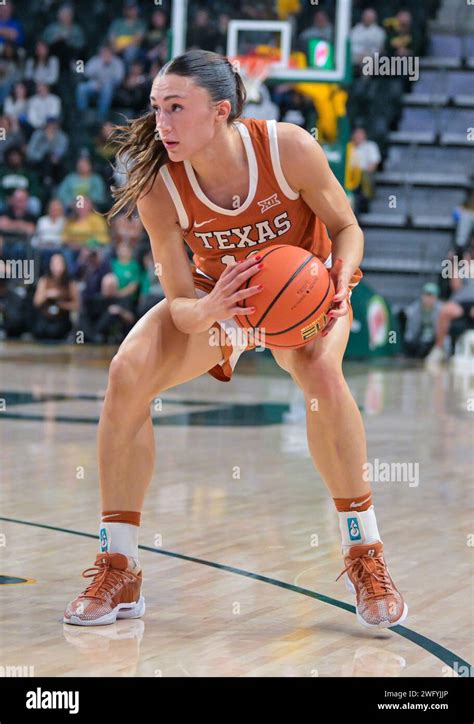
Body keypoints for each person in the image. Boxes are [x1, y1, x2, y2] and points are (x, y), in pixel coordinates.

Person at [63, 49, 407, 629]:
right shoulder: (158, 186)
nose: (160, 123)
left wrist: (341, 283)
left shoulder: (287, 148)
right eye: (155, 109)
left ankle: (364, 554)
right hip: (215, 297)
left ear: (220, 111)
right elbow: (178, 299)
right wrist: (210, 311)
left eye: (175, 108)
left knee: (322, 375)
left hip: (308, 288)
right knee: (127, 373)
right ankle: (118, 564)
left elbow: (348, 227)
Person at [32, 251, 79, 340]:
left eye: (59, 264)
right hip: (45, 317)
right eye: (54, 264)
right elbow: (36, 302)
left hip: (62, 318)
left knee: (55, 331)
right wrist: (47, 294)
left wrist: (62, 304)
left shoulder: (70, 283)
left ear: (64, 265)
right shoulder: (44, 280)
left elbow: (77, 305)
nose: (56, 267)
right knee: (40, 330)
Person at [403, 282, 441, 358]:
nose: (428, 298)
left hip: (434, 343)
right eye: (426, 295)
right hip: (418, 340)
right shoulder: (414, 309)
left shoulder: (441, 310)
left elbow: (443, 333)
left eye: (431, 295)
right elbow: (410, 332)